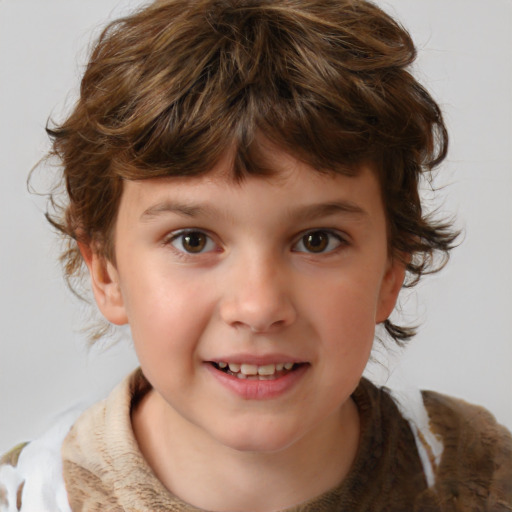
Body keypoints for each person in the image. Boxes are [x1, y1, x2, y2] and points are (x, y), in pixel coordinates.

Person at [1, 0, 511, 510]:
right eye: (193, 240)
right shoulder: (30, 498)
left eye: (318, 240)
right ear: (105, 271)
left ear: (390, 272)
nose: (259, 306)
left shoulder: (485, 479)